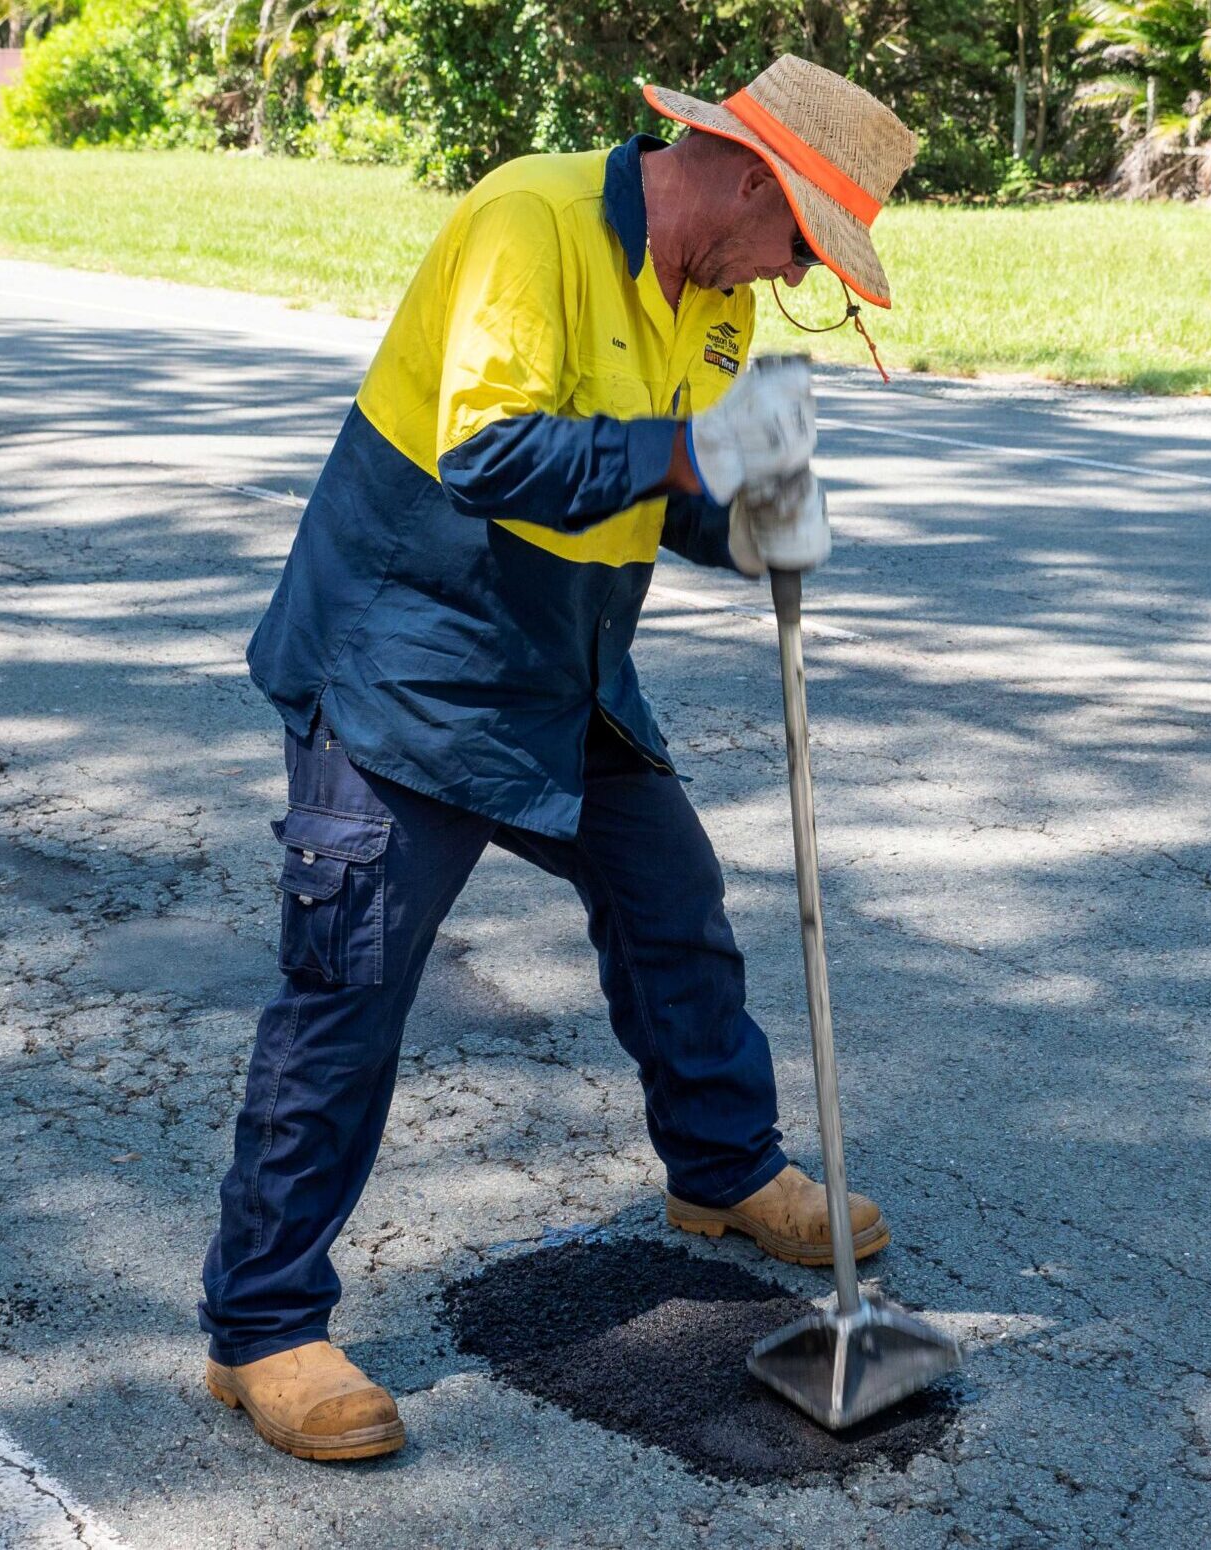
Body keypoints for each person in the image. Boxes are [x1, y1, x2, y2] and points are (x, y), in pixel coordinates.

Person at [199, 55, 918, 1462]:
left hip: (563, 662)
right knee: (348, 987)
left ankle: (722, 1169)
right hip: (406, 660)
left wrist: (753, 516)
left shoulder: (715, 299)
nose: (793, 279)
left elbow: (661, 491)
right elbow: (495, 454)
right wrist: (691, 454)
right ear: (751, 183)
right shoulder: (529, 221)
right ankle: (262, 1328)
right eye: (802, 246)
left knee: (673, 902)